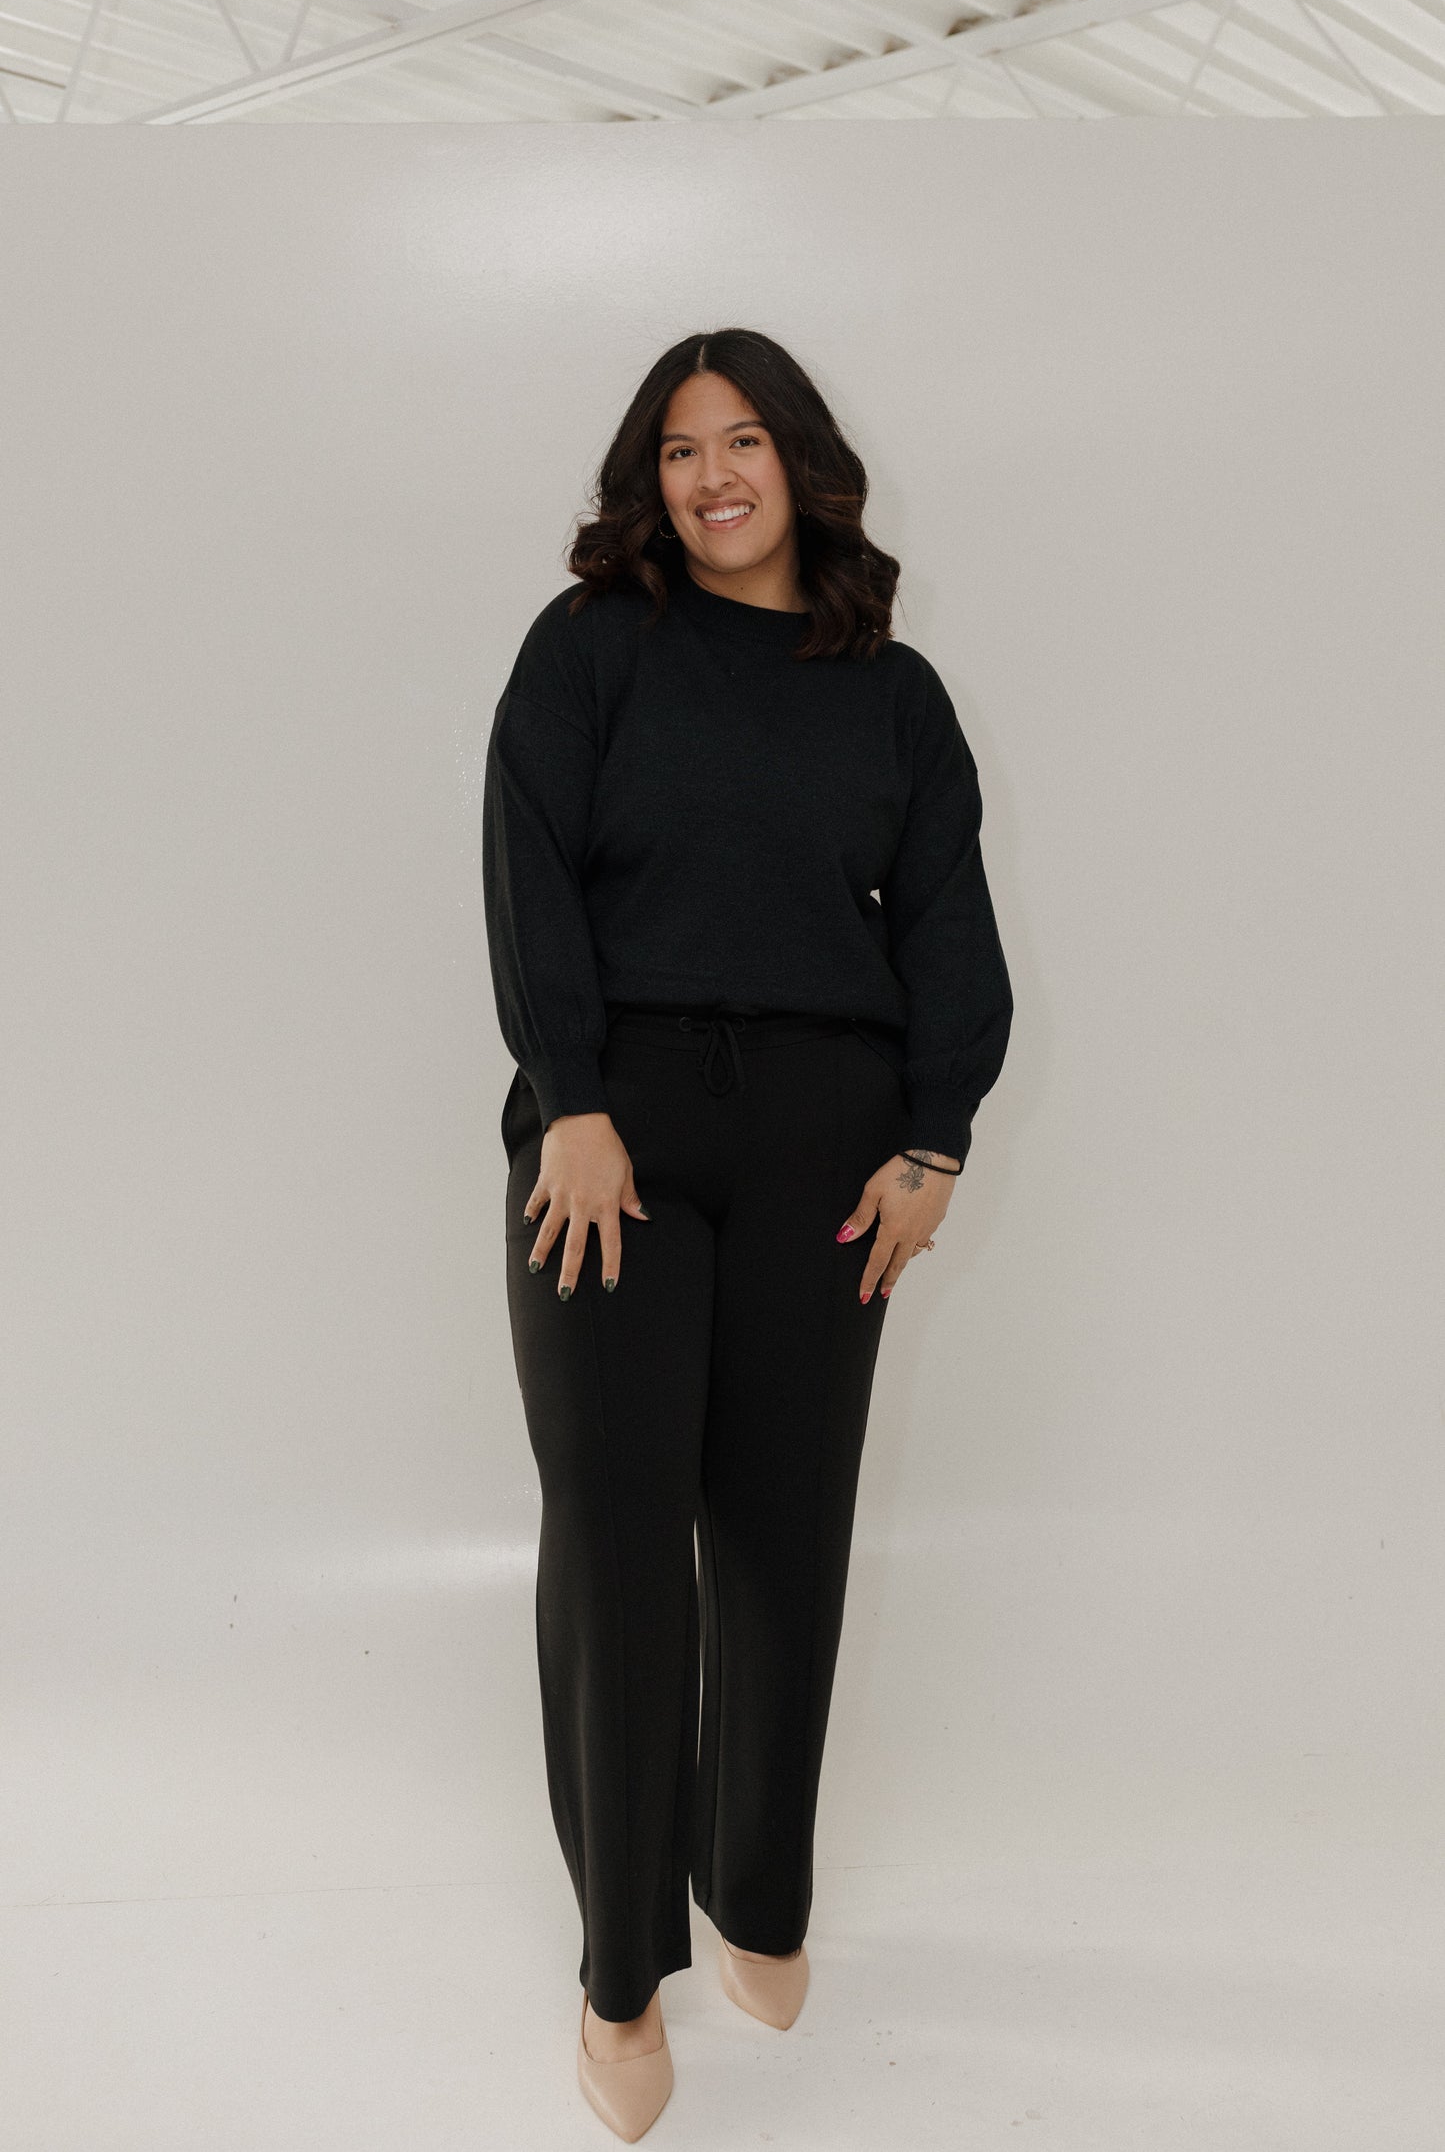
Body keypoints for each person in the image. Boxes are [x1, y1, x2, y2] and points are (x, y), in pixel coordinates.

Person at [481, 327, 1013, 2142]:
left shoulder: (890, 688)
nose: (715, 475)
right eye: (681, 447)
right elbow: (525, 865)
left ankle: (754, 1897)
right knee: (624, 1553)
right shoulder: (591, 650)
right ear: (652, 475)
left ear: (801, 463)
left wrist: (933, 1144)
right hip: (609, 1136)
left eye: (747, 441)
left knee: (783, 1538)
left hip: (823, 1144)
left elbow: (944, 918)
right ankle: (619, 1972)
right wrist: (569, 1100)